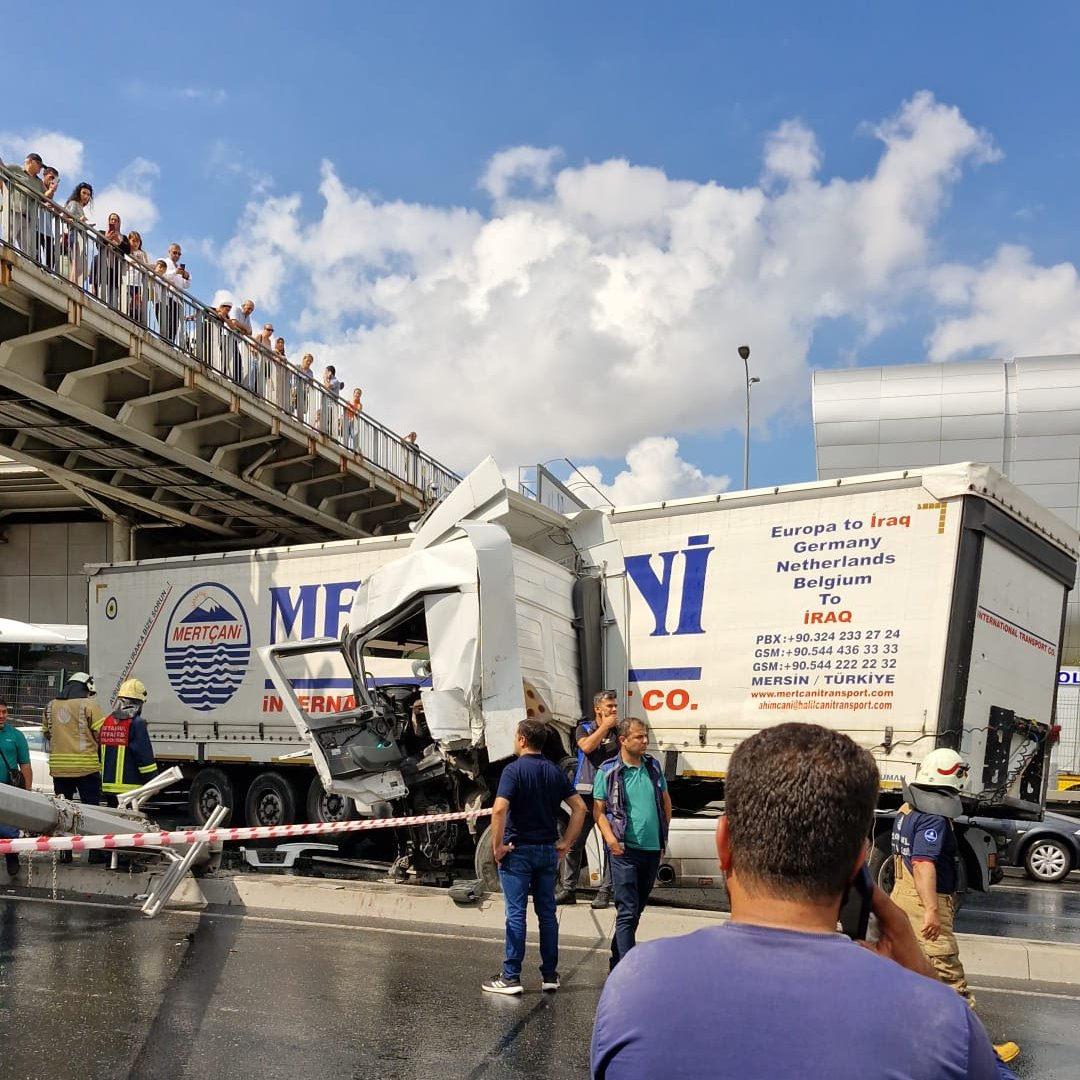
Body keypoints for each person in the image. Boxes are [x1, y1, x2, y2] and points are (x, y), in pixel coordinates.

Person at [590, 723, 1018, 1080]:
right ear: (859, 861)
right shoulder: (941, 1022)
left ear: (724, 844)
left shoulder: (633, 985)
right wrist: (927, 979)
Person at [890, 748, 1020, 1063]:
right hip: (924, 905)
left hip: (901, 898)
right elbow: (923, 864)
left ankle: (908, 1043)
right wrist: (933, 909)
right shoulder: (933, 816)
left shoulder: (908, 808)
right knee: (948, 975)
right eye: (960, 772)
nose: (963, 778)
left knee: (910, 974)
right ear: (948, 775)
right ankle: (980, 1055)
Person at [482, 718, 587, 996]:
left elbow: (499, 810)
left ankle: (511, 976)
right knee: (548, 915)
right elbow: (579, 809)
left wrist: (498, 847)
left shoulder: (513, 771)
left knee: (515, 915)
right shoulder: (555, 772)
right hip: (546, 851)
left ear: (522, 740)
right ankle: (550, 975)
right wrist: (566, 842)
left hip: (518, 851)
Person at [593, 717, 672, 967]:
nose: (645, 741)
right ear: (623, 740)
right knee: (626, 910)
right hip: (624, 851)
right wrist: (611, 841)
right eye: (639, 736)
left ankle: (616, 963)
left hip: (651, 850)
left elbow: (665, 801)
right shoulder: (607, 771)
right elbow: (598, 811)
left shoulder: (653, 766)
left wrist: (662, 838)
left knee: (635, 911)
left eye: (645, 735)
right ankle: (627, 971)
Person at [556, 689, 618, 908]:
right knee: (574, 842)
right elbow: (587, 746)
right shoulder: (584, 728)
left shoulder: (619, 732)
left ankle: (605, 892)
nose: (613, 710)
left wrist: (611, 729)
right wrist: (604, 727)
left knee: (610, 845)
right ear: (597, 708)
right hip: (585, 796)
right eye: (609, 706)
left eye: (615, 706)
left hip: (610, 798)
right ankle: (568, 890)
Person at [42, 672, 104, 806]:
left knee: (63, 810)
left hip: (59, 769)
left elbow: (46, 733)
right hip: (86, 768)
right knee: (92, 811)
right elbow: (101, 734)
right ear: (86, 687)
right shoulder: (90, 705)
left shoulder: (50, 705)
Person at [98, 678, 158, 805]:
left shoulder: (107, 722)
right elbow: (144, 758)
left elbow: (100, 753)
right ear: (138, 703)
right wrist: (153, 782)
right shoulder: (137, 723)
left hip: (108, 788)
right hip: (130, 790)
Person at [0, 698, 32, 878]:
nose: (2, 716)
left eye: (4, 712)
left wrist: (28, 794)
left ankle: (13, 857)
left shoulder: (16, 735)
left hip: (10, 793)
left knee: (7, 825)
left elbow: (25, 765)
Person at [124, 231, 151, 322]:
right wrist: (136, 260)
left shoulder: (142, 253)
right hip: (129, 280)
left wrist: (141, 260)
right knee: (129, 300)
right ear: (129, 241)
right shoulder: (127, 252)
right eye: (134, 241)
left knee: (137, 302)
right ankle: (128, 316)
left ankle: (137, 319)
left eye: (138, 241)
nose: (136, 243)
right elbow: (127, 264)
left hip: (139, 282)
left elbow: (146, 266)